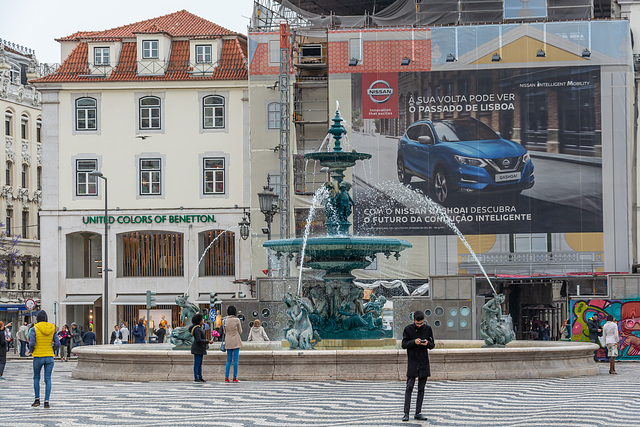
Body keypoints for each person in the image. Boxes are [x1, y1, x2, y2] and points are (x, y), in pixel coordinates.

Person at [401, 310, 433, 422]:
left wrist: (427, 344)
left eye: (421, 323)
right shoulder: (408, 329)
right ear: (413, 320)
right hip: (413, 362)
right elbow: (404, 345)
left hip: (424, 362)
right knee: (409, 387)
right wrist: (414, 342)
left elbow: (432, 345)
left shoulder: (428, 329)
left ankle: (418, 412)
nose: (420, 325)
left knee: (421, 389)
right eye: (418, 323)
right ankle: (406, 413)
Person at [29, 311, 60, 408]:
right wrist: (53, 349)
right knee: (48, 379)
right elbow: (57, 343)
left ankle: (37, 399)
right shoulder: (52, 328)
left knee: (36, 378)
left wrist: (32, 351)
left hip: (38, 356)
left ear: (37, 319)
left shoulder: (35, 328)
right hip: (49, 356)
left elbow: (31, 343)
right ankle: (46, 401)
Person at [223, 305, 242, 382]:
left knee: (228, 360)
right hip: (236, 340)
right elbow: (240, 331)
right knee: (236, 360)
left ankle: (226, 377)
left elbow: (224, 331)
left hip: (228, 340)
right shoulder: (237, 320)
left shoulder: (224, 320)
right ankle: (234, 377)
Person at [189, 313, 210, 383]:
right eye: (202, 319)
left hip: (199, 348)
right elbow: (198, 339)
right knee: (197, 363)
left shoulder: (198, 328)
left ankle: (200, 376)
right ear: (199, 321)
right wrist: (207, 341)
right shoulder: (197, 329)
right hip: (198, 348)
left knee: (199, 363)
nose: (203, 320)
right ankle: (196, 377)